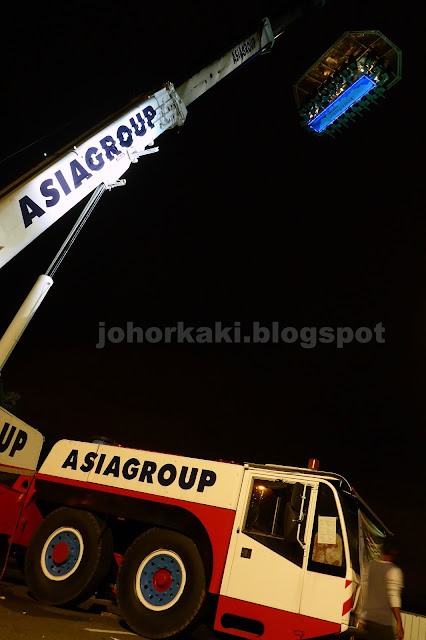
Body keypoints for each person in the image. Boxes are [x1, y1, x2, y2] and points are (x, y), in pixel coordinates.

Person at [358, 538, 404, 640]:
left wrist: (362, 617)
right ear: (395, 552)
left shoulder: (371, 566)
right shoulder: (394, 571)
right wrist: (399, 623)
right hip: (383, 623)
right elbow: (394, 598)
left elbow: (365, 593)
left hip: (368, 620)